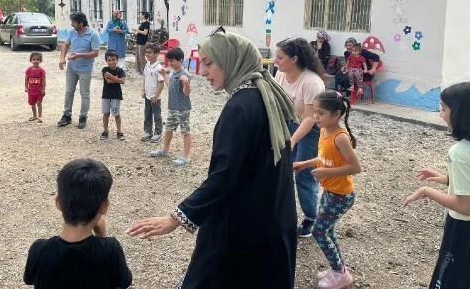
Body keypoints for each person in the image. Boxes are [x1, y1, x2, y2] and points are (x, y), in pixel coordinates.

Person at [128, 29, 299, 289]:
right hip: (269, 216)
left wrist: (177, 217)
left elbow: (224, 175)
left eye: (209, 63)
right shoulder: (260, 95)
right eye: (200, 62)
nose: (202, 71)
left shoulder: (241, 107)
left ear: (232, 60)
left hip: (244, 225)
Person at [24, 158, 132, 289]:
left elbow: (29, 279)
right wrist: (102, 235)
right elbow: (123, 282)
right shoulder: (110, 249)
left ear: (58, 202)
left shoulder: (39, 250)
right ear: (104, 206)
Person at [404, 82, 470, 288]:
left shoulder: (459, 152)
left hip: (462, 230)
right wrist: (446, 179)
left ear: (460, 113)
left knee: (448, 279)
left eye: (443, 108)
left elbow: (465, 206)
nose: (440, 114)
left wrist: (427, 191)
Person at [294, 90, 361, 288]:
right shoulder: (324, 131)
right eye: (315, 112)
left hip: (341, 196)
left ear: (336, 115)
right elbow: (324, 159)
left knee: (319, 232)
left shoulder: (341, 137)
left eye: (321, 113)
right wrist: (305, 163)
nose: (316, 117)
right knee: (328, 231)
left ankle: (340, 273)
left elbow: (355, 167)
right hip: (330, 192)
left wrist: (325, 173)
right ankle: (339, 270)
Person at [274, 37, 326, 237]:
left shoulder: (312, 82)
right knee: (280, 166)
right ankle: (281, 212)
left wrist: (292, 140)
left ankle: (311, 218)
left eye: (280, 57)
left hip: (310, 128)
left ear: (294, 58)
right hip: (287, 122)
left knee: (303, 172)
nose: (276, 60)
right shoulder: (280, 74)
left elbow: (310, 118)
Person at [150, 47, 194, 166]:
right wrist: (164, 75)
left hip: (183, 108)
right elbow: (170, 86)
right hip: (173, 107)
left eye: (173, 61)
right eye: (169, 61)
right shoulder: (174, 72)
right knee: (169, 129)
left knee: (185, 131)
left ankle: (185, 157)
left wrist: (186, 82)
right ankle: (165, 150)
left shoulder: (185, 74)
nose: (171, 63)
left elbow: (186, 93)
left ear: (180, 60)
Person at [57, 12, 101, 129]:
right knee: (69, 91)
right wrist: (62, 59)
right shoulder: (72, 32)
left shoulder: (93, 35)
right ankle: (67, 115)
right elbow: (65, 44)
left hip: (85, 69)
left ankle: (83, 117)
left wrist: (79, 55)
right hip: (72, 68)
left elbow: (95, 52)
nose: (72, 25)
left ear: (81, 23)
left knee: (84, 94)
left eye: (74, 23)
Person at [141, 42, 164, 143]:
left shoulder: (159, 68)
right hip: (147, 95)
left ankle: (158, 132)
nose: (147, 54)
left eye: (150, 52)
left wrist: (157, 95)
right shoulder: (147, 65)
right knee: (147, 114)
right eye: (146, 52)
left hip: (155, 97)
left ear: (156, 53)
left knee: (157, 115)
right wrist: (143, 90)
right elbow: (145, 78)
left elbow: (161, 83)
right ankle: (148, 131)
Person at [100, 49, 125, 140]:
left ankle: (119, 131)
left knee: (116, 114)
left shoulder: (120, 70)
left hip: (116, 96)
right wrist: (116, 79)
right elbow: (108, 81)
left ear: (117, 60)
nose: (111, 62)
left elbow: (122, 81)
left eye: (113, 59)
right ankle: (105, 131)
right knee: (106, 113)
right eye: (109, 60)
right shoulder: (104, 70)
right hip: (106, 95)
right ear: (106, 61)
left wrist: (111, 76)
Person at [25, 52, 46, 123]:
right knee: (32, 103)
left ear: (40, 61)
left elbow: (43, 80)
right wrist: (26, 87)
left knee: (39, 103)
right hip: (31, 91)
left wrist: (43, 89)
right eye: (34, 59)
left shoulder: (41, 70)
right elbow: (26, 79)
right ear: (31, 60)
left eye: (38, 59)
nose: (36, 61)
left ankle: (40, 116)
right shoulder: (29, 70)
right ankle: (34, 116)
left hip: (39, 91)